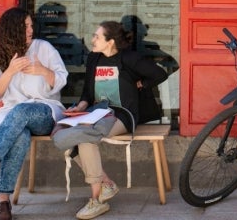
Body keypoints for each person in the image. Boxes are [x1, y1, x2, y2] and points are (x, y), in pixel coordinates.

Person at [0, 7, 68, 220]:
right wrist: (9, 70)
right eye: (25, 26)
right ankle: (3, 203)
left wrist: (43, 71)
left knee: (21, 112)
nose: (30, 30)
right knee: (19, 135)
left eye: (30, 25)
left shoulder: (43, 48)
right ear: (12, 30)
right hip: (12, 116)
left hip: (45, 112)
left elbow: (63, 79)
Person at [63, 21, 167, 220]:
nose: (92, 40)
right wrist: (80, 107)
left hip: (122, 115)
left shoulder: (129, 59)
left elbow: (160, 73)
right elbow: (87, 92)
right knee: (68, 138)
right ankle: (106, 184)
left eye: (97, 37)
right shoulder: (94, 58)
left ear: (110, 42)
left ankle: (96, 200)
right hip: (97, 113)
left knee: (86, 136)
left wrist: (142, 84)